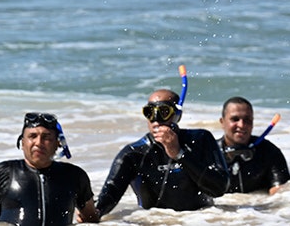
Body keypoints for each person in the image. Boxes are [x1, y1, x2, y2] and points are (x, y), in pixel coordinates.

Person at [94, 89, 227, 214]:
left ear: (177, 116)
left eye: (163, 112)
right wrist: (93, 213)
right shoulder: (134, 154)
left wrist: (179, 154)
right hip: (155, 220)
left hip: (201, 219)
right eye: (149, 112)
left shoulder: (200, 140)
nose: (156, 120)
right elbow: (109, 196)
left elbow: (219, 188)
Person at [0, 112, 99, 225]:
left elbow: (90, 217)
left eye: (46, 137)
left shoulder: (74, 176)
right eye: (32, 136)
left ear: (58, 143)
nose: (39, 143)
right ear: (22, 142)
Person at [219, 96, 290, 194]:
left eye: (247, 120)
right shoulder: (208, 152)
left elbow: (281, 192)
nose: (241, 125)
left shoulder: (269, 151)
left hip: (257, 208)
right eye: (235, 119)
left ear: (252, 122)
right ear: (222, 122)